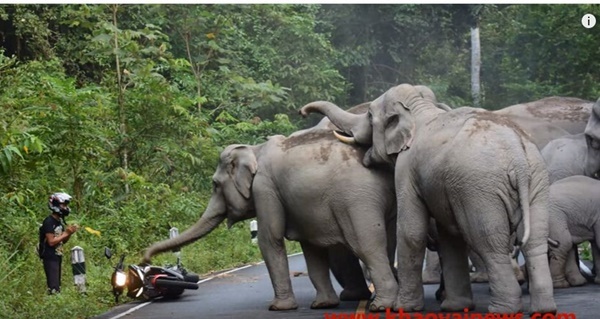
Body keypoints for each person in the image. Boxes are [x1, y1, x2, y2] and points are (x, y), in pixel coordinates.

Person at [39, 192, 78, 294]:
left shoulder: (59, 222)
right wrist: (66, 232)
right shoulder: (49, 222)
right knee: (53, 287)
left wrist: (69, 233)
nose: (65, 207)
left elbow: (62, 240)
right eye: (63, 205)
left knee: (57, 285)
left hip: (57, 256)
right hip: (50, 256)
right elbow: (51, 242)